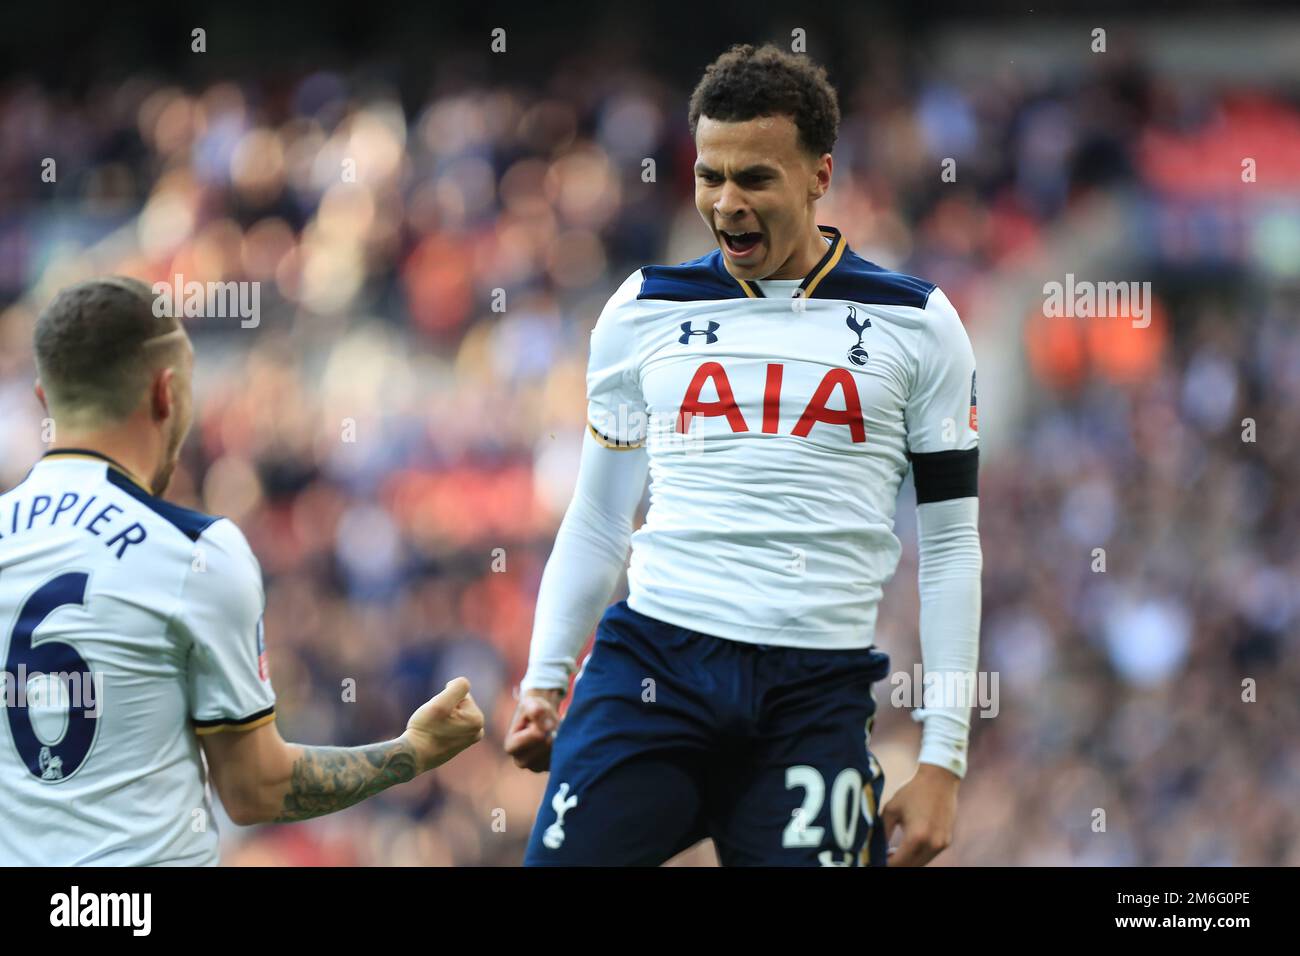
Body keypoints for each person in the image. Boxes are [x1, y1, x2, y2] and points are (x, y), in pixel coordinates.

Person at [506, 43, 982, 866]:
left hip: (814, 694)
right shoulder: (642, 308)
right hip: (653, 669)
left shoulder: (919, 322)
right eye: (708, 176)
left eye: (754, 178)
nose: (725, 203)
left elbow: (948, 547)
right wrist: (546, 678)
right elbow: (598, 516)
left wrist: (943, 757)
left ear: (819, 174)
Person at [0, 276, 484, 865]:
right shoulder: (195, 549)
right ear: (166, 394)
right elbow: (256, 789)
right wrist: (411, 752)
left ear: (45, 400)